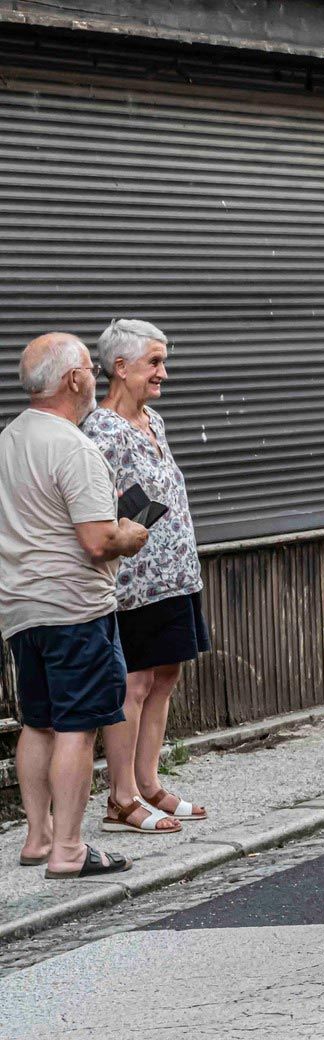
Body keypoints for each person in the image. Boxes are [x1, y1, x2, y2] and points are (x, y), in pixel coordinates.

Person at [0, 333, 149, 878]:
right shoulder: (73, 446)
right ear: (72, 380)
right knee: (77, 728)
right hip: (75, 609)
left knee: (37, 723)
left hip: (21, 609)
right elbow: (96, 540)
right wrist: (130, 534)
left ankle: (38, 838)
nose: (94, 376)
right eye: (90, 367)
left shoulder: (8, 440)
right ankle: (69, 851)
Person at [83, 318, 210, 834]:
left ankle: (149, 781)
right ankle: (122, 799)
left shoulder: (153, 420)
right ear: (120, 367)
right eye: (154, 362)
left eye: (163, 360)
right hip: (134, 581)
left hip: (176, 574)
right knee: (133, 682)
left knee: (167, 674)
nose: (163, 372)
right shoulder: (98, 430)